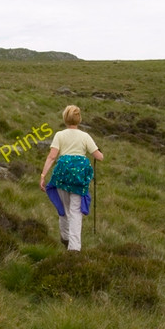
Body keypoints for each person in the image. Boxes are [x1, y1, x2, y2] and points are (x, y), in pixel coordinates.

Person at [39, 105, 104, 251]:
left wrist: (43, 176)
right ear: (79, 119)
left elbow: (52, 157)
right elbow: (99, 157)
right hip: (78, 181)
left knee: (63, 207)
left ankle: (65, 237)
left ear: (65, 119)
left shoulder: (59, 135)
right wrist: (98, 151)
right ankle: (74, 249)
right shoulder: (85, 136)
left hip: (62, 177)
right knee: (75, 212)